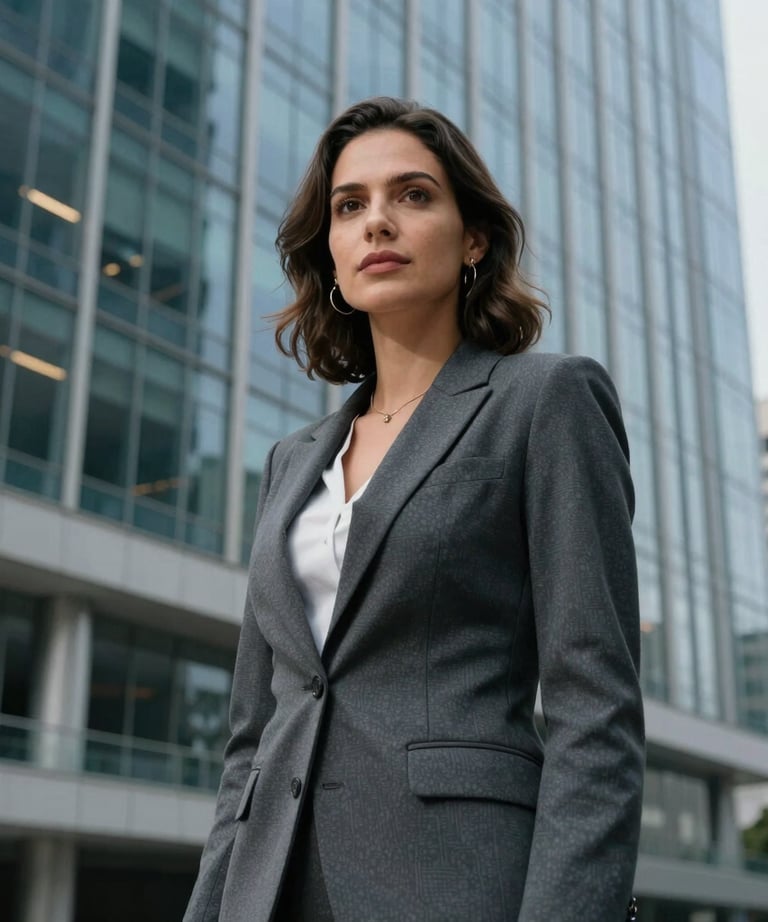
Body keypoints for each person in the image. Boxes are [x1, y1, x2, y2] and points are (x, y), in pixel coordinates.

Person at [183, 96, 644, 922]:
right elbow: (253, 739)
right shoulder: (291, 462)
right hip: (269, 885)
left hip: (455, 881)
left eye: (414, 195)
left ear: (474, 239)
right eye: (350, 206)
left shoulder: (545, 401)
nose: (378, 223)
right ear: (329, 250)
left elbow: (595, 710)